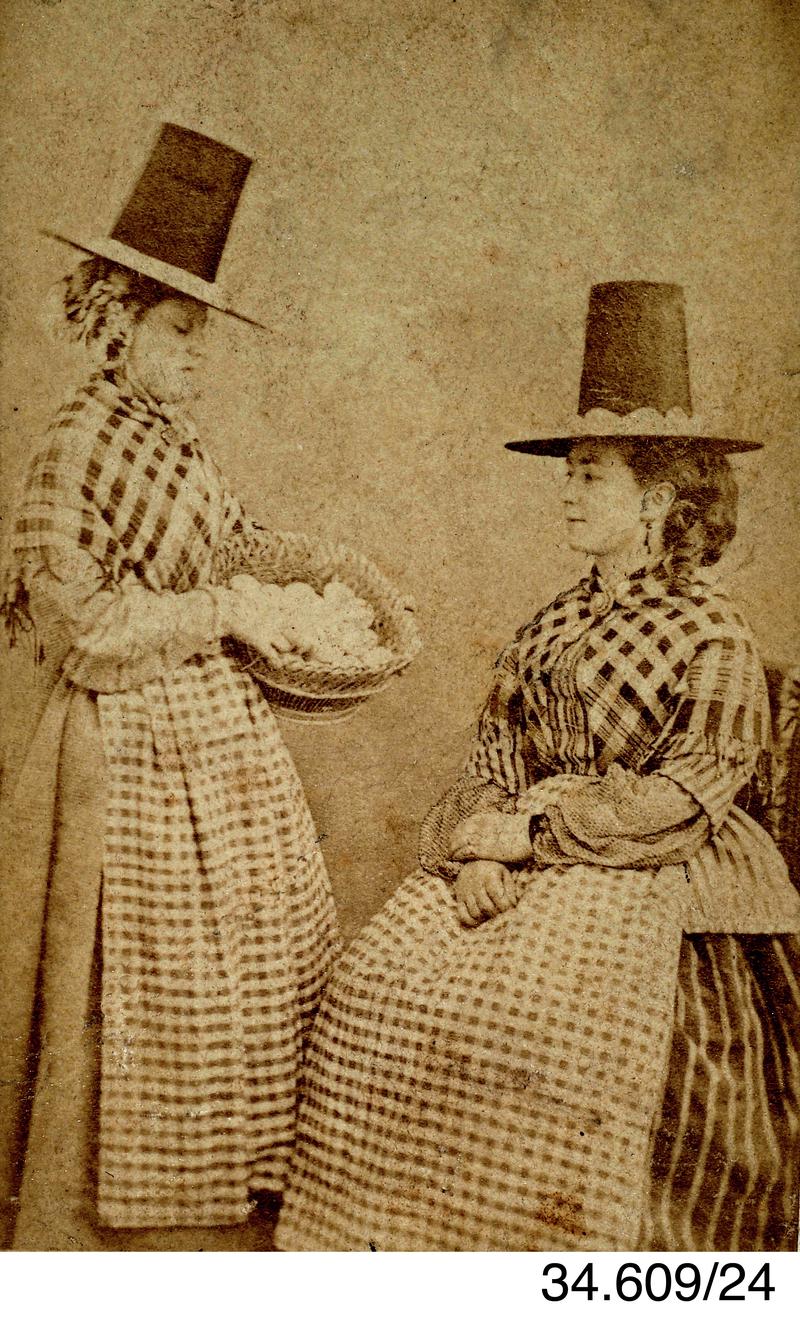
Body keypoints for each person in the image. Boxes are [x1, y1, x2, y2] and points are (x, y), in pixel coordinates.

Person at [276, 282, 800, 1252]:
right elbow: (492, 756)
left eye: (590, 475)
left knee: (555, 1035)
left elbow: (687, 798)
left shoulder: (712, 630)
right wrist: (477, 848)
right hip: (516, 854)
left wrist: (535, 835)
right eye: (570, 472)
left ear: (656, 499)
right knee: (375, 996)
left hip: (657, 873)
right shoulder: (549, 623)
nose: (568, 492)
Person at [0, 125, 406, 1249]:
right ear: (117, 319)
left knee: (251, 967)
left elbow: (227, 547)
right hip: (117, 747)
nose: (197, 356)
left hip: (218, 742)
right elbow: (79, 630)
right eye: (179, 331)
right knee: (137, 984)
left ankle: (225, 1193)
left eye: (202, 336)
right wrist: (219, 611)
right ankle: (104, 1221)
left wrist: (309, 577)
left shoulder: (176, 439)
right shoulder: (75, 442)